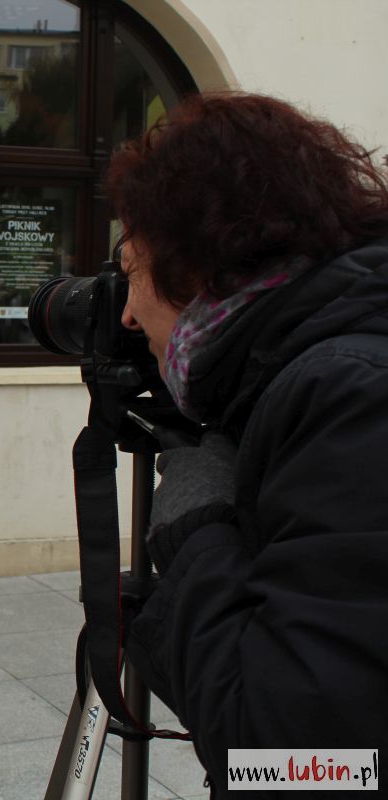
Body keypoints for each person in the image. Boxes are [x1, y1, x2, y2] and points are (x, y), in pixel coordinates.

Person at [107, 92, 388, 786]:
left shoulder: (348, 396)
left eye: (131, 271)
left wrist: (196, 534)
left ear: (194, 267)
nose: (127, 316)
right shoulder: (330, 362)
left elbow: (300, 766)